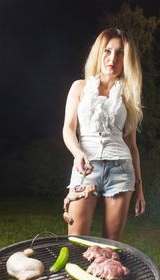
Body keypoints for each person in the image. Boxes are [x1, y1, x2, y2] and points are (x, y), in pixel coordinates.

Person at [62, 28, 146, 241]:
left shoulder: (128, 95)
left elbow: (132, 145)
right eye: (107, 51)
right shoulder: (79, 87)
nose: (112, 58)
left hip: (121, 170)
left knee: (110, 247)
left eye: (120, 53)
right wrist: (78, 153)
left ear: (126, 59)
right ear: (99, 53)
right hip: (85, 168)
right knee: (76, 242)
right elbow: (68, 130)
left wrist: (140, 189)